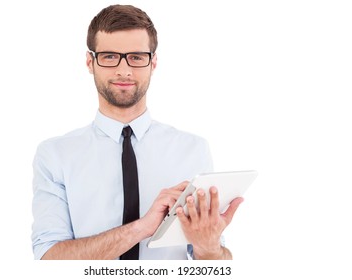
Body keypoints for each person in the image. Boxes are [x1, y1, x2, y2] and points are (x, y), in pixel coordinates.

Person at [31, 4, 243, 260]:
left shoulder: (193, 150)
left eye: (137, 57)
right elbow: (48, 259)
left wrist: (208, 247)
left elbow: (213, 266)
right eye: (109, 56)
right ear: (90, 62)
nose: (124, 70)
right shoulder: (55, 155)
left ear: (153, 62)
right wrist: (143, 227)